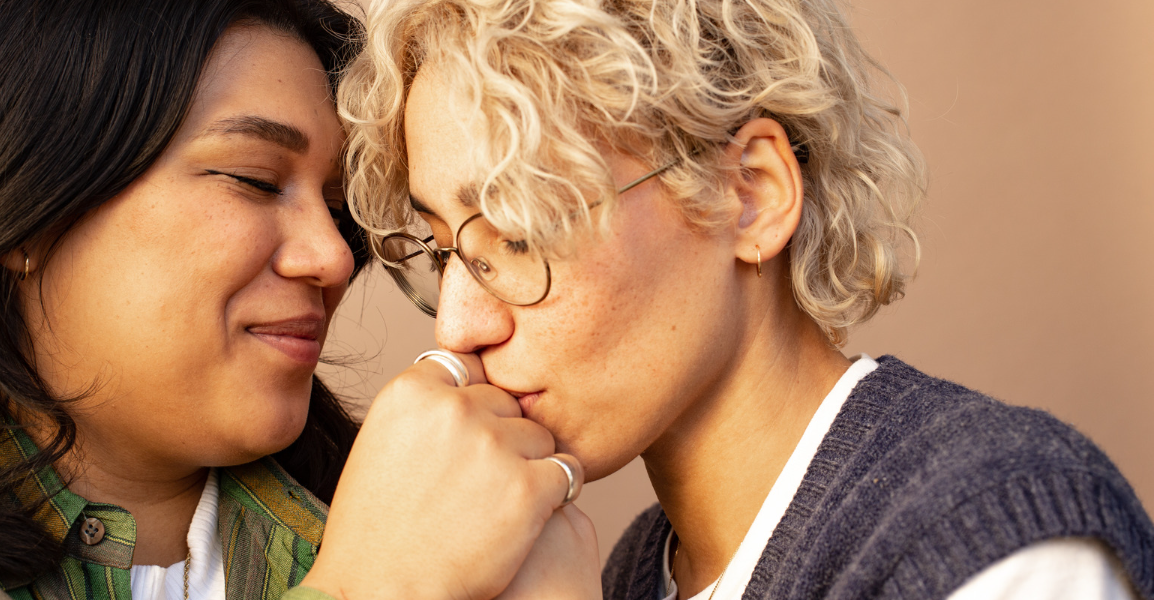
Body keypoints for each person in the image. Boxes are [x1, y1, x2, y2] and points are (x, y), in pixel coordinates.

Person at [341, 0, 1154, 598]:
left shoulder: (987, 541)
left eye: (516, 235)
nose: (455, 327)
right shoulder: (623, 577)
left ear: (750, 194)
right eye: (445, 251)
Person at [0, 1, 595, 599]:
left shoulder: (467, 543)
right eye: (255, 180)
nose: (334, 257)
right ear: (30, 210)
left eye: (338, 207)